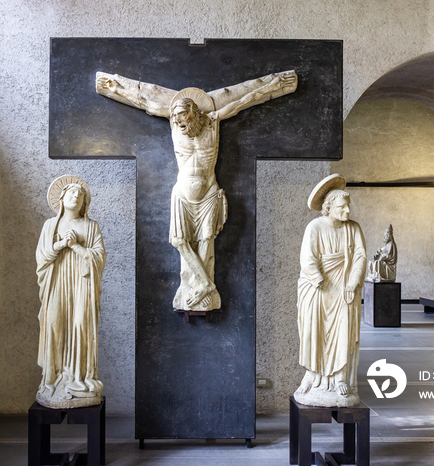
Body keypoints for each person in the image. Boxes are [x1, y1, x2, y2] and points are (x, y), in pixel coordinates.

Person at [96, 70, 297, 311]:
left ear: (194, 112)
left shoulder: (213, 120)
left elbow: (243, 102)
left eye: (183, 116)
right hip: (182, 194)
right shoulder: (173, 123)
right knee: (179, 241)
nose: (179, 121)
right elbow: (146, 103)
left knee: (206, 240)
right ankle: (204, 284)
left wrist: (271, 85)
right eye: (176, 117)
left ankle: (203, 289)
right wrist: (117, 89)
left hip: (209, 192)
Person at [295, 174, 367, 407]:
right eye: (341, 206)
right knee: (313, 333)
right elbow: (307, 258)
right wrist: (318, 279)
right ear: (328, 208)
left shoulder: (353, 229)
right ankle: (312, 376)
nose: (347, 210)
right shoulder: (314, 227)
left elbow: (360, 258)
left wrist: (352, 283)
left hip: (343, 290)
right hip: (319, 289)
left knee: (342, 333)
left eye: (348, 206)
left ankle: (339, 377)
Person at [35, 175, 106, 409]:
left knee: (79, 327)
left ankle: (78, 379)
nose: (76, 196)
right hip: (57, 283)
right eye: (72, 193)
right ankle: (53, 380)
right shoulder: (50, 225)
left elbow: (99, 258)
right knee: (54, 326)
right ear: (62, 198)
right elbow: (42, 257)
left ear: (84, 202)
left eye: (80, 194)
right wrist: (60, 244)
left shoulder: (91, 226)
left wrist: (75, 245)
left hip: (81, 286)